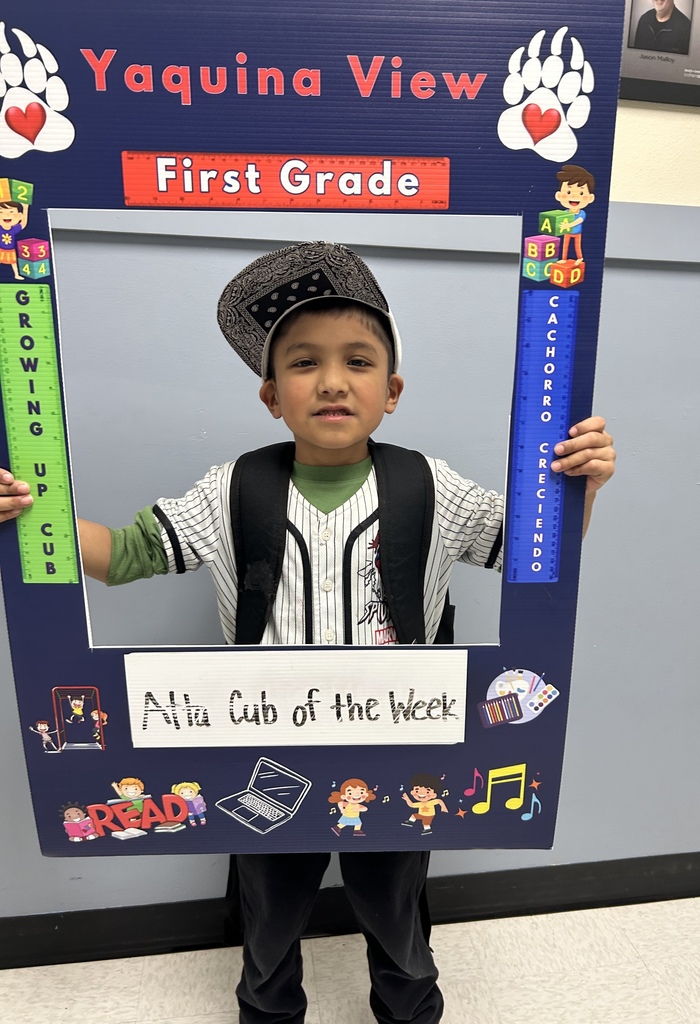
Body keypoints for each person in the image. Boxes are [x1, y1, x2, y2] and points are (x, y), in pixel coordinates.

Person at [0, 241, 616, 1024]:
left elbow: (537, 552)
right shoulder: (230, 489)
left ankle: (408, 1007)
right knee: (269, 911)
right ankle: (267, 1010)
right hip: (259, 753)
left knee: (397, 910)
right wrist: (32, 513)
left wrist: (579, 487)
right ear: (270, 395)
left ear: (390, 391)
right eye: (303, 363)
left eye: (358, 361)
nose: (331, 380)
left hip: (401, 750)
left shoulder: (434, 486)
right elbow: (122, 555)